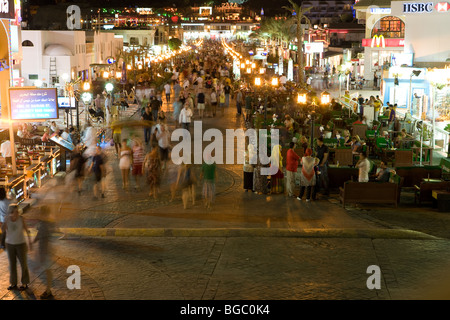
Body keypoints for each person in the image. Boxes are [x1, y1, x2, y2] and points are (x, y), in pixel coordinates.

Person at [3, 204, 32, 291]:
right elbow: (3, 230)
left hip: (21, 244)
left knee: (23, 264)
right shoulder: (7, 219)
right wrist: (5, 221)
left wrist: (30, 242)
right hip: (10, 244)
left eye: (16, 212)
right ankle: (13, 283)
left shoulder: (21, 219)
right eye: (13, 212)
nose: (15, 214)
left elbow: (27, 230)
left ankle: (24, 283)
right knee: (12, 264)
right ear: (10, 212)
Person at [33, 205, 55, 299]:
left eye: (40, 212)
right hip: (44, 249)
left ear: (43, 213)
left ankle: (48, 291)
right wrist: (34, 241)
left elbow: (45, 239)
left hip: (45, 250)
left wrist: (43, 254)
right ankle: (48, 290)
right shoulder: (43, 222)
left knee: (47, 270)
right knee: (46, 270)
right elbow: (39, 233)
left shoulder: (46, 224)